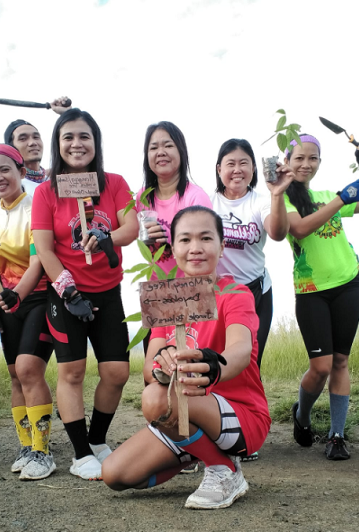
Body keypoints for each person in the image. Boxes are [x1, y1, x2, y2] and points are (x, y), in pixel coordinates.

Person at [102, 205, 271, 510]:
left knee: (155, 400)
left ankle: (226, 470)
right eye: (185, 240)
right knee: (115, 474)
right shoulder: (166, 296)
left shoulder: (236, 292)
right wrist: (163, 362)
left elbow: (241, 350)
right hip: (182, 412)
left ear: (221, 246)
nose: (195, 248)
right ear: (174, 247)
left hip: (239, 415)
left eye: (206, 239)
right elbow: (151, 368)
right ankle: (202, 452)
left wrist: (211, 365)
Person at [32, 107, 139, 481]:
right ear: (58, 144)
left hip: (109, 291)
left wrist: (109, 236)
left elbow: (132, 226)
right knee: (72, 372)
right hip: (67, 293)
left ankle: (96, 440)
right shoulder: (46, 192)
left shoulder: (115, 182)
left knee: (117, 371)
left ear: (96, 143)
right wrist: (67, 289)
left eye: (84, 137)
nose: (77, 144)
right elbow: (44, 249)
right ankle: (80, 454)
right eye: (68, 137)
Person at [283, 134, 359, 460]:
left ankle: (336, 435)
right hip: (311, 291)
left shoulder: (326, 194)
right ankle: (303, 416)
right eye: (299, 158)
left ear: (319, 163)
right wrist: (340, 199)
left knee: (340, 361)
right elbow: (299, 229)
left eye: (313, 158)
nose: (306, 164)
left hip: (349, 282)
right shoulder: (283, 198)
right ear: (287, 162)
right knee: (320, 366)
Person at [210, 138, 293, 461]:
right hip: (218, 297)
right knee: (216, 358)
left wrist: (277, 194)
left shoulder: (261, 200)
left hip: (256, 292)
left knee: (249, 363)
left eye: (244, 162)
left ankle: (244, 430)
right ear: (219, 170)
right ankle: (215, 427)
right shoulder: (209, 202)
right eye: (229, 163)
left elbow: (277, 232)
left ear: (254, 168)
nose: (237, 169)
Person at [0, 143, 58, 480]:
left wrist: (17, 294)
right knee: (15, 374)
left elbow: (40, 257)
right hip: (6, 303)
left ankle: (43, 452)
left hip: (39, 298)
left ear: (22, 172)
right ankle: (26, 445)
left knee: (29, 369)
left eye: (4, 169)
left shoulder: (35, 205)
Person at [136, 121, 212, 357]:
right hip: (158, 290)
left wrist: (171, 238)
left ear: (181, 151)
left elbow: (204, 245)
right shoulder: (142, 197)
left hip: (192, 290)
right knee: (157, 368)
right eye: (153, 147)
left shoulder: (195, 196)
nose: (160, 152)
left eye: (168, 145)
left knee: (188, 364)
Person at [2, 96, 72, 195]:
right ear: (11, 148)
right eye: (23, 139)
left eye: (36, 137)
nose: (32, 143)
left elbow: (86, 204)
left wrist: (67, 114)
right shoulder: (12, 187)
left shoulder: (58, 176)